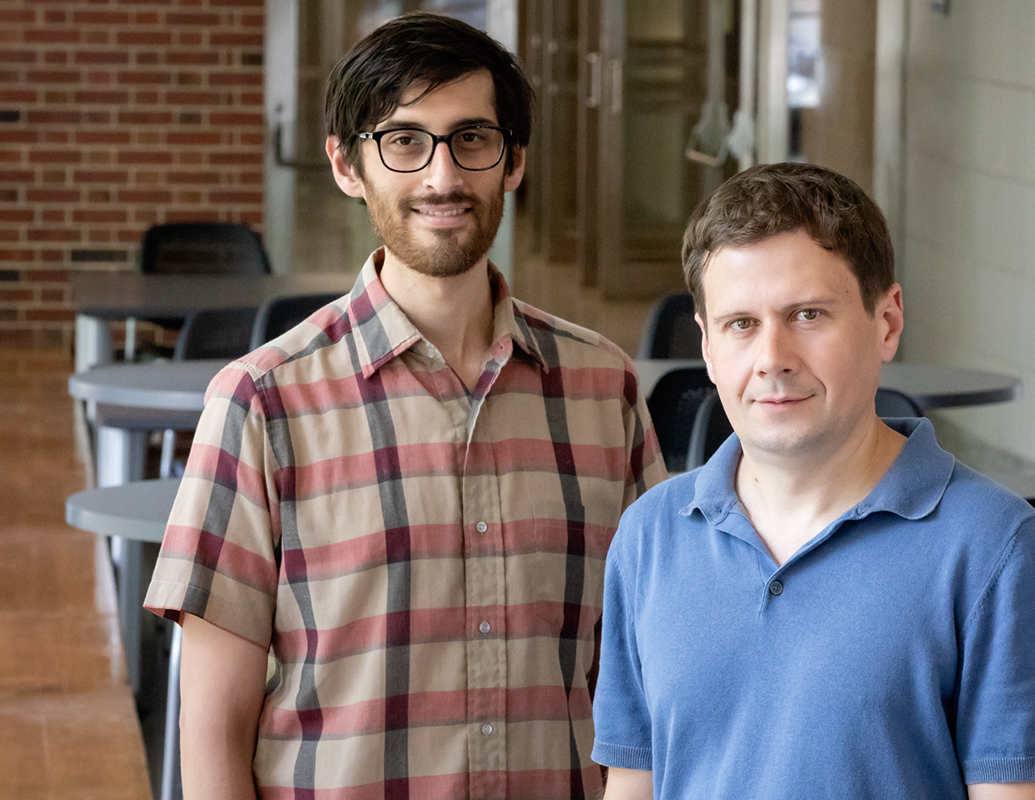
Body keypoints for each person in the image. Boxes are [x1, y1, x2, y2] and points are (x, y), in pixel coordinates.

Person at [144, 12, 665, 798]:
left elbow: (646, 672)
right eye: (404, 140)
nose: (442, 177)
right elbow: (213, 730)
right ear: (348, 165)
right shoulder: (261, 402)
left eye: (472, 139)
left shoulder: (605, 388)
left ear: (513, 161)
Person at [591, 163, 1035, 800]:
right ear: (709, 348)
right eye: (741, 324)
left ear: (886, 322)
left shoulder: (995, 549)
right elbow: (635, 784)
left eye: (806, 315)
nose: (772, 358)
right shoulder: (648, 537)